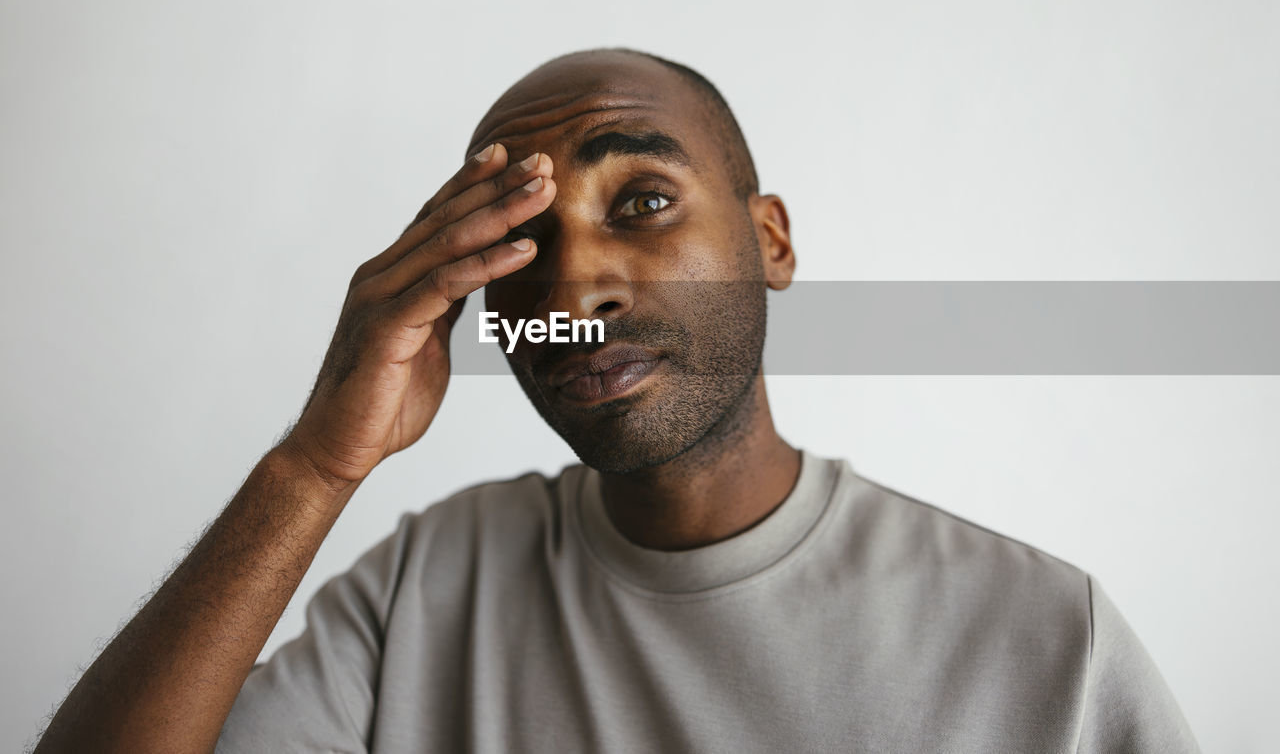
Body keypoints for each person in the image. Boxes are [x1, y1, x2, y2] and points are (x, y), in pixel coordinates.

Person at [35, 49, 1200, 753]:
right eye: (519, 240)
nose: (573, 284)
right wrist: (315, 466)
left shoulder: (1040, 639)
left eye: (640, 201)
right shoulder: (423, 590)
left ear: (768, 239)